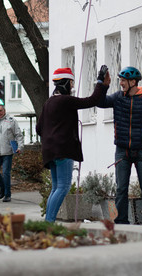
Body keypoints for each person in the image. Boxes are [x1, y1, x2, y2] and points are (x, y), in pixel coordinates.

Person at [36, 67, 111, 222]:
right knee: (63, 188)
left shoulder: (48, 102)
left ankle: (47, 222)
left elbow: (38, 128)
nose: (72, 86)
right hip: (63, 150)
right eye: (71, 83)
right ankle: (48, 223)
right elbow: (91, 101)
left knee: (56, 188)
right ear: (64, 83)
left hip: (49, 151)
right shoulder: (65, 100)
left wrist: (52, 135)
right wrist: (100, 81)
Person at [98, 66, 142, 225]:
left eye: (123, 80)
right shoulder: (118, 97)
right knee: (121, 189)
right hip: (122, 151)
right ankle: (121, 222)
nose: (120, 83)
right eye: (120, 80)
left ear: (133, 82)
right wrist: (101, 83)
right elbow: (100, 102)